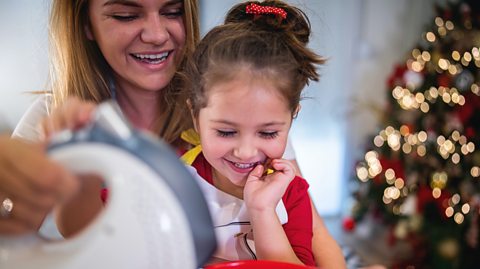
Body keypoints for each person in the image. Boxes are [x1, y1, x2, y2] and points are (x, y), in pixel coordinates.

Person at [0, 0, 346, 268]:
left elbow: (319, 245)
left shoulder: (244, 107)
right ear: (86, 24)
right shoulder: (55, 120)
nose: (155, 34)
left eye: (172, 11)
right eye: (125, 15)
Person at [179, 1, 324, 266]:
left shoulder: (292, 194)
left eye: (267, 133)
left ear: (292, 118)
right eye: (225, 131)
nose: (245, 152)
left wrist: (262, 210)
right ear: (195, 116)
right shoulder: (177, 179)